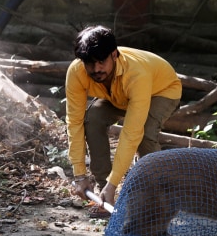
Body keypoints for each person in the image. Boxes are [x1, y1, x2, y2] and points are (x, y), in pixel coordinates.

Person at [65, 25, 182, 216]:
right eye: (89, 64)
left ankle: (159, 200)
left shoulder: (137, 74)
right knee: (93, 117)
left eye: (101, 61)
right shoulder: (77, 72)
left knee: (144, 134)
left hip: (161, 90)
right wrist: (79, 175)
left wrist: (115, 181)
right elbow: (74, 122)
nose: (96, 69)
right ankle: (106, 195)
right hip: (119, 96)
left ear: (114, 55)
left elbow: (131, 133)